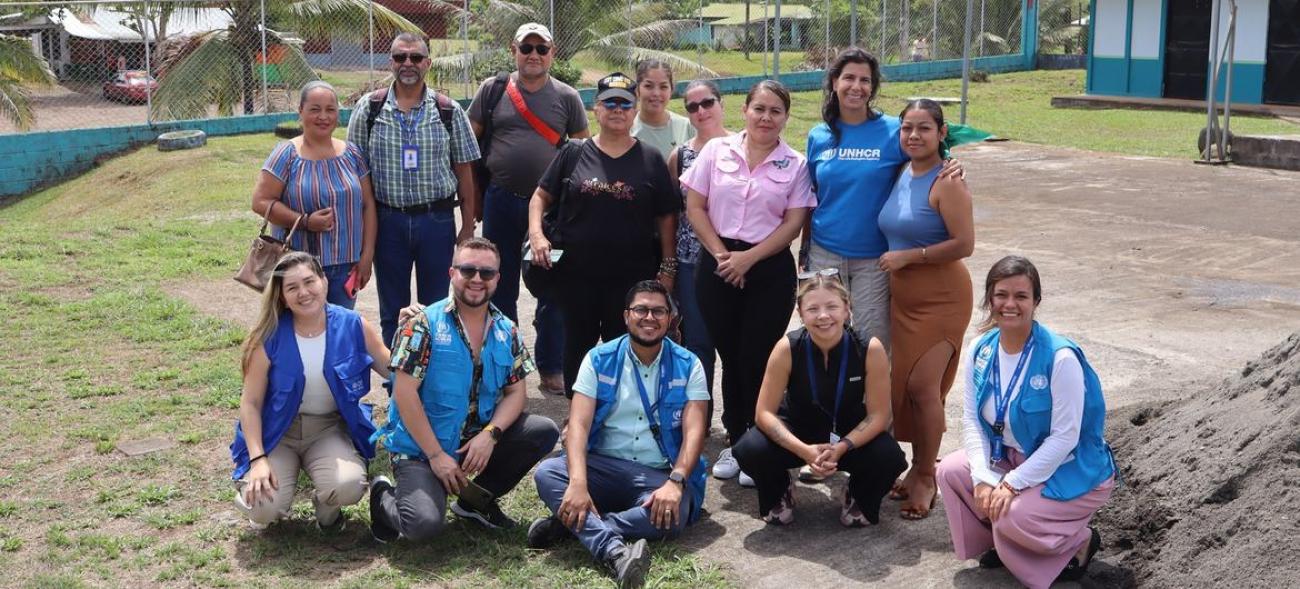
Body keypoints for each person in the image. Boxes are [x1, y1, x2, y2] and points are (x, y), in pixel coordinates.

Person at [937, 256, 1116, 588]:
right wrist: (982, 479)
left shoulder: (1059, 358)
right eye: (1001, 294)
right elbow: (972, 421)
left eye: (1021, 296)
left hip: (1070, 467)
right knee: (950, 472)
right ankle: (1001, 544)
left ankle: (1078, 543)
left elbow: (1065, 438)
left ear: (1036, 301)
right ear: (990, 298)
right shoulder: (981, 349)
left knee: (1012, 513)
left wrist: (1010, 483)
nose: (1010, 304)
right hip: (1009, 455)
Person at [368, 237, 560, 541]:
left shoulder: (506, 329)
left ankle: (474, 503)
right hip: (421, 449)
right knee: (423, 525)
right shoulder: (422, 325)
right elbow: (404, 395)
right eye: (468, 270)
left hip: (472, 441)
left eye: (486, 273)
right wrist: (435, 456)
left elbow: (516, 393)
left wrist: (490, 434)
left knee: (542, 430)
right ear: (452, 273)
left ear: (498, 278)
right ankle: (382, 497)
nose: (476, 279)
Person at [530, 280, 709, 589]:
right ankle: (614, 551)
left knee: (676, 511)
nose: (649, 318)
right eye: (641, 309)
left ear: (671, 318)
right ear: (626, 315)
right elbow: (578, 425)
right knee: (548, 473)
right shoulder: (598, 358)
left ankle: (575, 526)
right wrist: (578, 482)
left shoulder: (689, 364)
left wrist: (676, 481)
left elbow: (695, 432)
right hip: (603, 466)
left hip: (658, 475)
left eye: (658, 311)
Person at [682, 80, 816, 485]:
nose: (766, 117)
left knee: (757, 356)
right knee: (728, 353)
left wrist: (749, 258)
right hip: (717, 264)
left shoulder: (795, 164)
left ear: (786, 118)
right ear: (745, 110)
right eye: (759, 108)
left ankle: (759, 442)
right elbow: (695, 204)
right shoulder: (716, 151)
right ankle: (737, 439)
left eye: (776, 111)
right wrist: (724, 255)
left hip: (768, 268)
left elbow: (794, 223)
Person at [528, 73, 678, 394]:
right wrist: (537, 236)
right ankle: (577, 419)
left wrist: (667, 266)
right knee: (578, 349)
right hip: (576, 276)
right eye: (609, 102)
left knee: (624, 349)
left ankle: (617, 419)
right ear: (596, 109)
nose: (617, 109)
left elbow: (667, 216)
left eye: (625, 104)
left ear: (634, 111)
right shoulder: (574, 153)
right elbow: (540, 196)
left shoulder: (650, 159)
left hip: (630, 280)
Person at [803, 48, 960, 349]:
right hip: (824, 252)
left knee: (874, 343)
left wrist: (950, 160)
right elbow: (813, 194)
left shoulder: (893, 131)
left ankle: (872, 398)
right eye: (849, 77)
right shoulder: (818, 136)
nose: (856, 86)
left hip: (875, 258)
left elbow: (927, 154)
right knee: (823, 336)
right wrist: (805, 250)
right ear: (834, 82)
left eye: (865, 80)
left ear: (873, 87)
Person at [469, 22, 590, 396]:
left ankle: (551, 363)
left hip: (551, 209)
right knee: (497, 282)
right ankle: (503, 364)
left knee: (553, 286)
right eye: (527, 48)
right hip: (501, 200)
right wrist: (472, 198)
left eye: (541, 48)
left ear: (552, 53)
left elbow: (582, 152)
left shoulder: (567, 97)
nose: (534, 55)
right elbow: (468, 145)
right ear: (514, 50)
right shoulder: (492, 90)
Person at [229, 252, 390, 529]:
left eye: (309, 282)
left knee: (349, 485)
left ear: (324, 282)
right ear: (281, 297)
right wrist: (258, 460)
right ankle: (257, 496)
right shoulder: (267, 337)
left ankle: (327, 508)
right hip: (278, 432)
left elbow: (395, 371)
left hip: (328, 428)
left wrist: (416, 329)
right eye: (292, 288)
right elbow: (251, 404)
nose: (303, 293)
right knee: (263, 508)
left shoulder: (353, 325)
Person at [732, 274, 906, 526]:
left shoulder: (870, 348)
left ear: (847, 309)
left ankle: (857, 494)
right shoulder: (787, 347)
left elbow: (879, 415)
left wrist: (843, 446)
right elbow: (764, 413)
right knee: (750, 449)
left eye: (832, 307)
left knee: (888, 457)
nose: (823, 316)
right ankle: (780, 490)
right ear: (801, 313)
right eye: (813, 309)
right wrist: (804, 451)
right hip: (798, 433)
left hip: (847, 435)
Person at [347, 32, 481, 346]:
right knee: (392, 306)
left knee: (436, 306)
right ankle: (397, 373)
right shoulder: (369, 109)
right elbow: (356, 174)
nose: (408, 63)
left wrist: (467, 230)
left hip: (436, 220)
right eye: (400, 57)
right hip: (387, 221)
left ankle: (431, 370)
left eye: (416, 57)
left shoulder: (448, 111)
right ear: (390, 62)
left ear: (428, 63)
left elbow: (465, 172)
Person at [877, 99, 975, 519]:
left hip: (942, 298)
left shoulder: (948, 180)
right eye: (906, 129)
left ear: (941, 132)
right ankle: (920, 465)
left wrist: (910, 257)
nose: (913, 136)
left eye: (923, 128)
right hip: (904, 300)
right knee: (906, 388)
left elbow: (964, 244)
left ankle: (925, 475)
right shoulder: (903, 171)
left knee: (923, 389)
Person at [251, 81, 376, 309]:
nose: (323, 117)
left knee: (338, 332)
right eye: (315, 109)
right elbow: (260, 201)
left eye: (330, 110)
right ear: (301, 112)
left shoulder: (353, 155)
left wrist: (366, 256)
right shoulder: (286, 154)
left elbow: (368, 205)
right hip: (297, 268)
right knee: (299, 333)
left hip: (345, 268)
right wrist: (305, 222)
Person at [664, 79, 729, 399]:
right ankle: (699, 413)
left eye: (707, 103)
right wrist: (669, 266)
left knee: (737, 342)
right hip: (692, 261)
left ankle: (740, 418)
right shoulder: (681, 155)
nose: (701, 111)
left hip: (737, 259)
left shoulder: (745, 145)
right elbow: (670, 215)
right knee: (698, 342)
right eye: (692, 106)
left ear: (721, 104)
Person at [630, 59, 694, 158]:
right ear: (637, 90)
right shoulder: (627, 130)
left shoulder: (687, 128)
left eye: (663, 87)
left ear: (671, 90)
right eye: (648, 86)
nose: (656, 93)